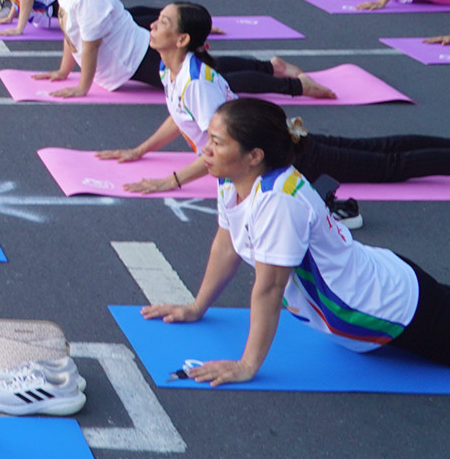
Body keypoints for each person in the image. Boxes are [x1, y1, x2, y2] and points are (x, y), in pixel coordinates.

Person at [139, 97, 450, 382]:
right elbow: (226, 244)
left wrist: (247, 365)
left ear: (254, 156)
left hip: (387, 306)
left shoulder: (278, 202)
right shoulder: (230, 180)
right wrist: (197, 307)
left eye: (217, 143)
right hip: (381, 282)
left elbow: (270, 287)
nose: (204, 149)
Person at [97, 4, 450, 207]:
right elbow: (179, 116)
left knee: (387, 163)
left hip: (283, 157)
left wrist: (170, 181)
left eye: (163, 23)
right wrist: (140, 150)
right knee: (379, 150)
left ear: (183, 39)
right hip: (277, 140)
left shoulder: (196, 83)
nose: (152, 25)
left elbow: (214, 151)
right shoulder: (170, 69)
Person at [32, 0, 328, 98]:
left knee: (213, 82)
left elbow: (90, 45)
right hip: (137, 49)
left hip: (138, 57)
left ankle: (295, 85)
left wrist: (82, 87)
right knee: (208, 70)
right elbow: (70, 37)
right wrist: (63, 71)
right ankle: (269, 66)